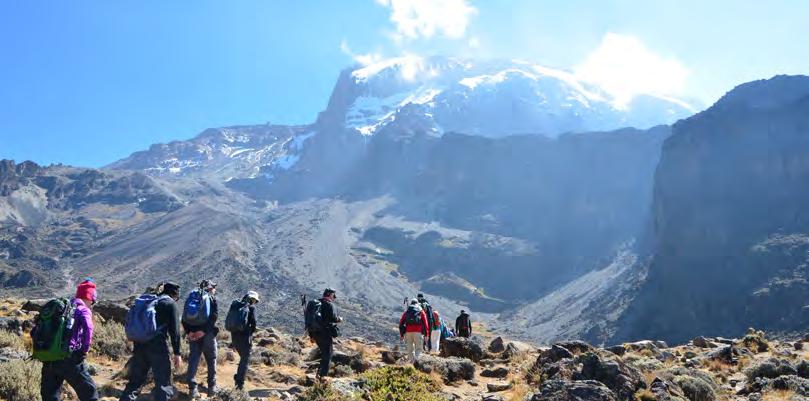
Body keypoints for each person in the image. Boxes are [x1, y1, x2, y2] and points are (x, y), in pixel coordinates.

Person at [119, 282, 183, 401]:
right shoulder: (170, 304)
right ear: (175, 294)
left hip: (140, 345)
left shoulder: (150, 302)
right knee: (163, 384)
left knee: (135, 382)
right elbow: (175, 332)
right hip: (158, 348)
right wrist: (177, 353)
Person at [39, 279, 99, 401]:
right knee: (90, 394)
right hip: (69, 358)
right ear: (89, 298)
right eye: (92, 302)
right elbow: (88, 328)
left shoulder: (62, 307)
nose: (92, 305)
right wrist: (84, 350)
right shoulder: (83, 309)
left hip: (49, 357)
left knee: (49, 396)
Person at [182, 280, 218, 398]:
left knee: (193, 359)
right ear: (210, 289)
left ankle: (192, 389)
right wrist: (203, 331)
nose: (215, 290)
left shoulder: (192, 298)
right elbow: (213, 318)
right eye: (213, 287)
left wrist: (189, 332)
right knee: (211, 359)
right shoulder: (211, 299)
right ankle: (212, 388)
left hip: (193, 335)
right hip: (207, 335)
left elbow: (184, 318)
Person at [310, 288, 343, 380]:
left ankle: (319, 375)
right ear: (329, 294)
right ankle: (322, 378)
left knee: (324, 353)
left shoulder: (316, 304)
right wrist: (339, 319)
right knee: (328, 354)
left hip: (315, 333)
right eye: (333, 295)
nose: (334, 297)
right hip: (325, 333)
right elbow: (334, 318)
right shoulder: (329, 305)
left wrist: (311, 335)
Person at [232, 291, 259, 391]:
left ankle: (238, 377)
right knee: (245, 360)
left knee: (242, 358)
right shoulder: (251, 308)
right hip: (245, 338)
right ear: (252, 299)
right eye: (255, 300)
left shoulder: (237, 305)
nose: (255, 302)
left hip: (234, 337)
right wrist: (251, 332)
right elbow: (254, 322)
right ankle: (239, 385)